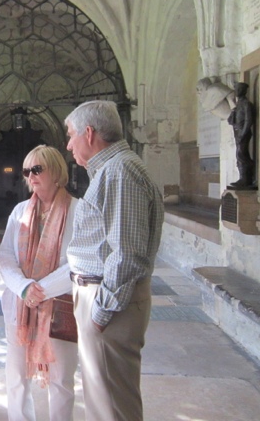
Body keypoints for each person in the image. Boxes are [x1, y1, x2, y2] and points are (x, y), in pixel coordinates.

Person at [65, 100, 164, 421]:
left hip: (108, 303)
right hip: (101, 298)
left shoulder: (119, 172)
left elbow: (127, 254)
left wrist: (100, 314)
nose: (68, 145)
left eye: (71, 135)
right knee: (104, 402)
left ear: (89, 133)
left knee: (112, 409)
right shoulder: (113, 170)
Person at [0, 145, 79, 421]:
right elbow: (6, 256)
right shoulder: (20, 211)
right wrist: (24, 287)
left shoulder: (78, 210)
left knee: (61, 379)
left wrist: (40, 290)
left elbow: (80, 260)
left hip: (61, 305)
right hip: (20, 305)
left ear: (56, 172)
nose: (30, 176)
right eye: (26, 171)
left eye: (37, 169)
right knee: (16, 377)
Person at [227, 82, 255, 188]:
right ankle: (243, 178)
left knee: (241, 155)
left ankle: (246, 179)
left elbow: (248, 120)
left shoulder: (246, 104)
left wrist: (243, 134)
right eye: (236, 89)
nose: (237, 91)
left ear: (244, 91)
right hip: (237, 132)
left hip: (243, 133)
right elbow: (230, 121)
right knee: (239, 156)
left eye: (239, 89)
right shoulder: (238, 104)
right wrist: (233, 113)